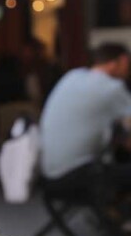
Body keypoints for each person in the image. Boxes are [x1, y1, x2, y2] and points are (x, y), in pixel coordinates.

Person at [40, 43, 131, 185]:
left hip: (49, 174)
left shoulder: (72, 76)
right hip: (82, 174)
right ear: (122, 61)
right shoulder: (112, 87)